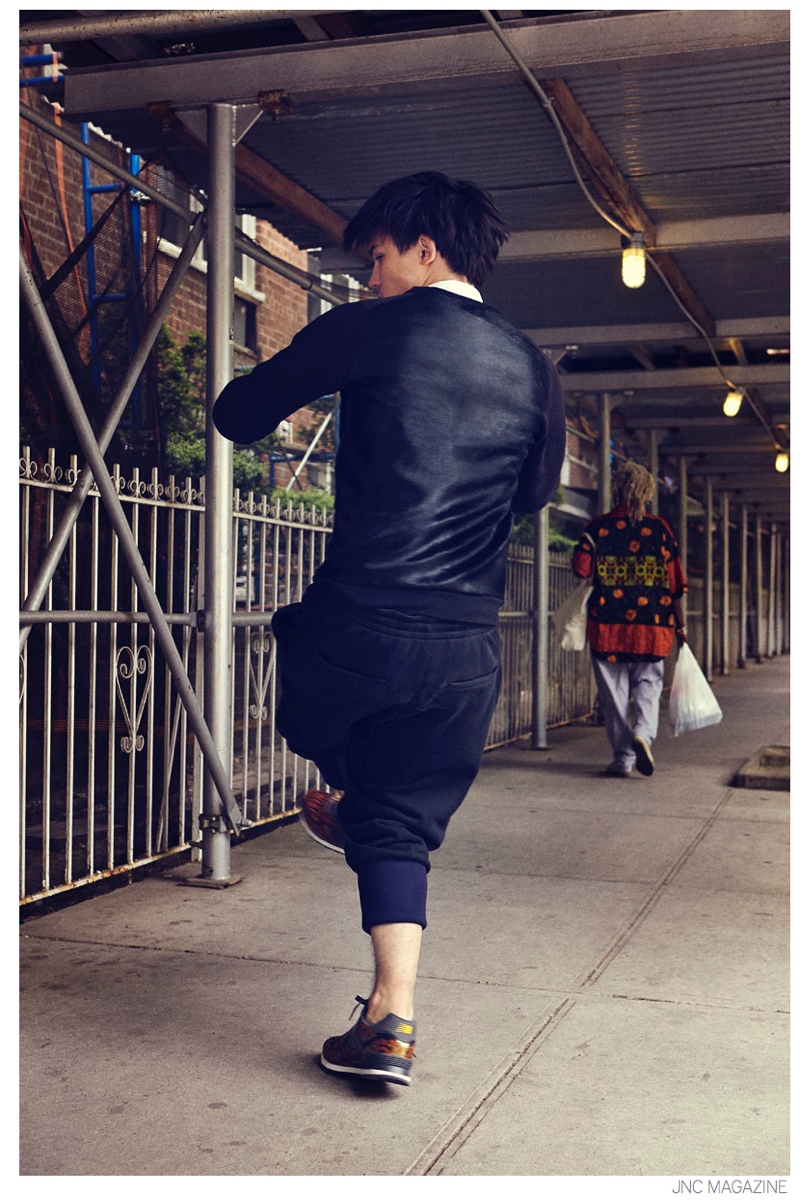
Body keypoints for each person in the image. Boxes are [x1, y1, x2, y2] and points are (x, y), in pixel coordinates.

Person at [213, 171, 565, 1085]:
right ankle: (389, 1020)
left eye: (375, 259)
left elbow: (236, 416)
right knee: (400, 825)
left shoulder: (367, 329)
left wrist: (334, 373)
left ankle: (353, 794)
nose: (368, 279)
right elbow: (532, 494)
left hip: (357, 628)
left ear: (424, 248)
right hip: (464, 650)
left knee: (303, 663)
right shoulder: (534, 367)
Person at [571, 461, 688, 779]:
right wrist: (680, 625)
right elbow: (676, 583)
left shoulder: (598, 528)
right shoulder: (660, 530)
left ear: (617, 488)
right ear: (648, 492)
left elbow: (580, 568)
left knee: (614, 695)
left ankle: (623, 759)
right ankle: (643, 733)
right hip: (653, 626)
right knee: (649, 685)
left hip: (607, 624)